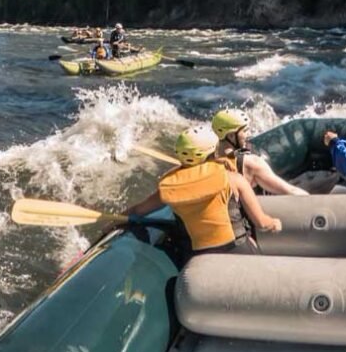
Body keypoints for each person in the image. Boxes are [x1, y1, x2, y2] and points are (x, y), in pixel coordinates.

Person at [124, 125, 282, 254]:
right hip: (237, 249)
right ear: (214, 151)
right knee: (253, 244)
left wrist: (115, 220)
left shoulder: (170, 188)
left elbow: (138, 210)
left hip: (199, 256)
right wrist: (274, 223)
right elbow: (261, 222)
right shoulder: (233, 179)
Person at [211, 109, 309, 196]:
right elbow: (290, 191)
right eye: (245, 131)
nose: (248, 134)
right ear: (231, 136)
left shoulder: (206, 159)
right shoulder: (251, 163)